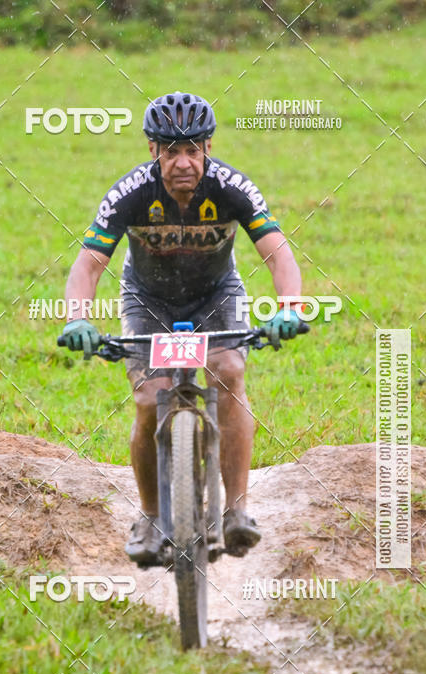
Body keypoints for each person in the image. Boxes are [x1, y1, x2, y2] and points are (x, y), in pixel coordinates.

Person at [61, 91, 303, 565]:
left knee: (229, 373)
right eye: (171, 152)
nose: (183, 163)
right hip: (147, 300)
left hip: (217, 296)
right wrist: (77, 319)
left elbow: (277, 252)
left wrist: (289, 308)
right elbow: (89, 263)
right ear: (153, 150)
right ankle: (151, 517)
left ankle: (236, 511)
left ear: (208, 147)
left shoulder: (232, 186)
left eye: (193, 150)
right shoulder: (130, 192)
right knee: (149, 400)